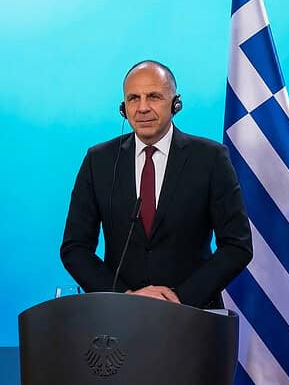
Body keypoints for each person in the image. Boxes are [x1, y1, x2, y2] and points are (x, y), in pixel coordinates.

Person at [60, 60, 252, 308]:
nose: (142, 108)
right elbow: (75, 248)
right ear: (123, 108)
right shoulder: (98, 161)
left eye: (153, 96)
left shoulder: (211, 158)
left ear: (175, 104)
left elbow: (237, 245)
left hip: (194, 314)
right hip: (120, 316)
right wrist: (124, 296)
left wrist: (179, 299)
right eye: (133, 98)